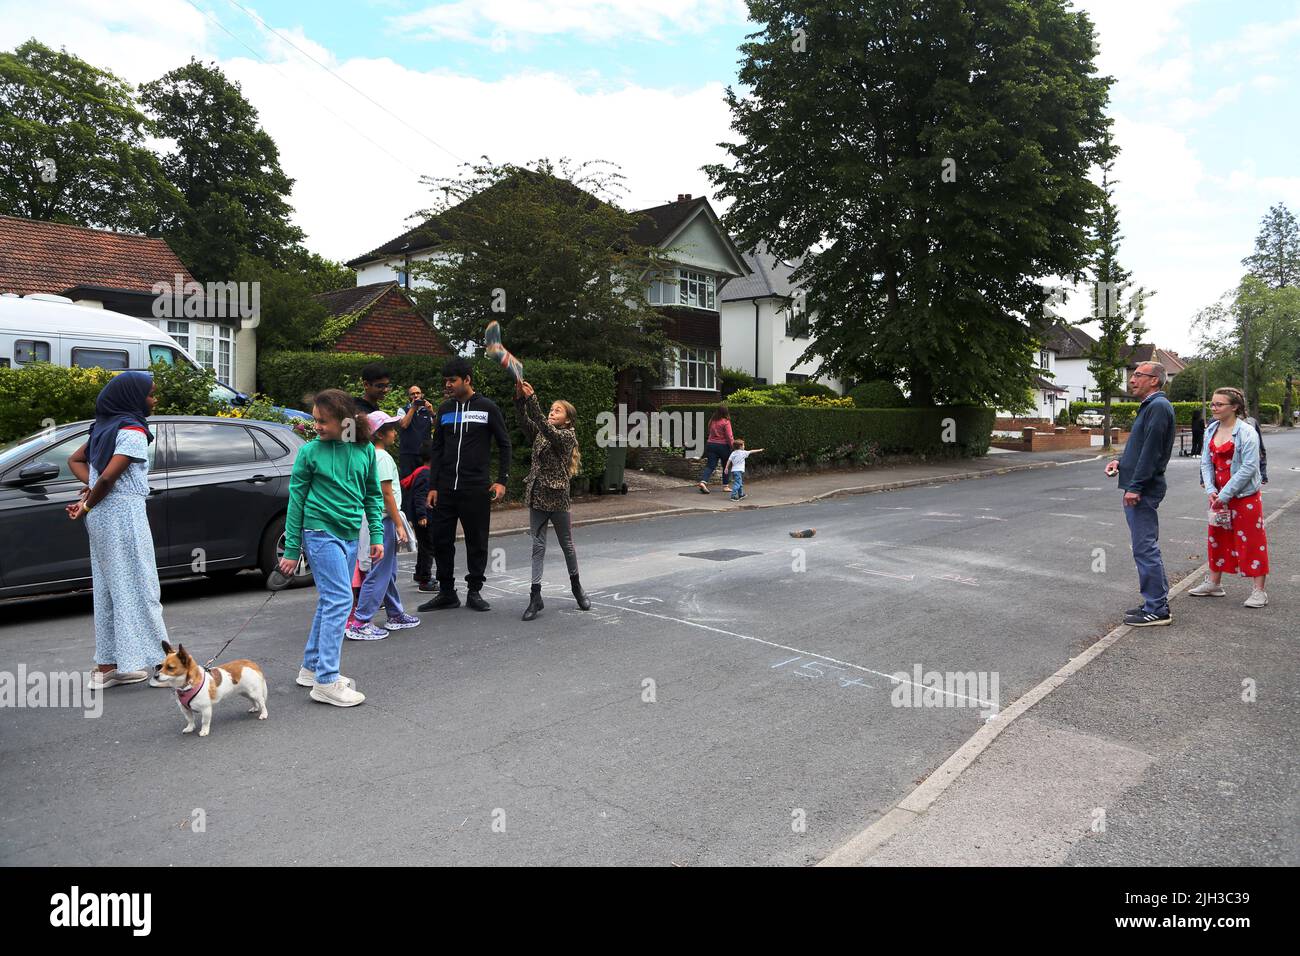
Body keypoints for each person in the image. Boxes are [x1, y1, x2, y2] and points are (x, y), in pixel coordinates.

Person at [279, 389, 383, 707]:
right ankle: (326, 680)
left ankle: (311, 669)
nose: (317, 427)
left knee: (329, 601)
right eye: (315, 421)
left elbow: (372, 495)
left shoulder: (364, 450)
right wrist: (291, 549)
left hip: (350, 534)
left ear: (344, 420)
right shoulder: (310, 452)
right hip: (319, 531)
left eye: (323, 421)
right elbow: (296, 501)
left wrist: (377, 536)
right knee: (339, 599)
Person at [65, 371, 169, 689]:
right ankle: (164, 666)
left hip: (101, 519)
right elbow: (109, 478)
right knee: (143, 586)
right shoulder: (132, 430)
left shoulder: (102, 427)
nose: (154, 399)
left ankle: (108, 666)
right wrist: (88, 501)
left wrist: (91, 494)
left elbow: (75, 460)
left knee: (111, 591)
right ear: (133, 398)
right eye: (150, 394)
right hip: (123, 516)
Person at [417, 357, 512, 613]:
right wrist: (433, 486)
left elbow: (505, 444)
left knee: (476, 541)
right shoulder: (445, 410)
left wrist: (501, 480)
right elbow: (436, 451)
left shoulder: (487, 408)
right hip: (446, 488)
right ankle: (447, 592)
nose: (447, 385)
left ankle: (475, 591)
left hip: (476, 487)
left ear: (467, 380)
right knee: (441, 540)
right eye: (445, 380)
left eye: (452, 380)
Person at [1103, 362, 1175, 627]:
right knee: (1144, 548)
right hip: (1140, 485)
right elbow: (1140, 447)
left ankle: (1157, 608)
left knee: (1145, 549)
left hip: (1143, 490)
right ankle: (1155, 602)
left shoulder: (1157, 406)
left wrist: (1135, 487)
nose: (1131, 380)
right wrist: (1120, 462)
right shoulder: (1151, 406)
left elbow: (1153, 452)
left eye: (1137, 375)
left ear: (1154, 380)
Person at [513, 379, 590, 621]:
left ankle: (577, 588)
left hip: (557, 499)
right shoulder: (542, 434)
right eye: (551, 409)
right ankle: (535, 597)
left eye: (557, 410)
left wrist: (531, 398)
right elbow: (525, 423)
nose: (552, 412)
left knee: (567, 546)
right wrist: (519, 401)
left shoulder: (567, 436)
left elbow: (546, 428)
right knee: (537, 547)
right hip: (537, 497)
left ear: (568, 419)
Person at [1190, 388, 1269, 607]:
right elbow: (1206, 462)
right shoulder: (1211, 429)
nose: (1213, 408)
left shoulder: (1246, 432)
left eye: (1219, 404)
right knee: (1217, 537)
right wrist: (1210, 490)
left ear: (1234, 407)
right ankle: (1214, 583)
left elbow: (1249, 467)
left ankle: (1259, 591)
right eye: (1212, 404)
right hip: (1218, 496)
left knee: (1252, 541)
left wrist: (1225, 494)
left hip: (1244, 495)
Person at [347, 411, 420, 639]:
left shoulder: (366, 454)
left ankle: (395, 613)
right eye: (390, 428)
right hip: (383, 519)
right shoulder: (383, 458)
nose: (394, 432)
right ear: (379, 434)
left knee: (387, 570)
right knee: (379, 571)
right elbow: (387, 494)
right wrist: (399, 525)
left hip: (370, 519)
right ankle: (361, 621)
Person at [402, 440, 436, 592]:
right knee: (428, 548)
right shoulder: (426, 474)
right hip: (424, 518)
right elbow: (419, 496)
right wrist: (423, 515)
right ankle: (425, 580)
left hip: (421, 518)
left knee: (424, 547)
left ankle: (419, 573)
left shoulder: (421, 471)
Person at [398, 384, 435, 478]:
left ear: (422, 395)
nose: (415, 396)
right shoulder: (402, 410)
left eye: (418, 393)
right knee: (407, 482)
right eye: (412, 394)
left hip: (424, 454)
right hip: (408, 454)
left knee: (424, 481)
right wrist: (413, 408)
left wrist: (431, 411)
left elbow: (438, 426)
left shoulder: (427, 410)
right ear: (409, 397)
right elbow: (404, 425)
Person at [697, 405, 733, 494]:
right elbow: (729, 436)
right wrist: (732, 446)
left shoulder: (712, 421)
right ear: (726, 412)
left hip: (711, 444)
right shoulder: (726, 422)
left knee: (710, 465)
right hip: (723, 446)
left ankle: (703, 482)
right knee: (726, 466)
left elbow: (709, 431)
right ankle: (725, 486)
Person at [1245, 415, 1268, 484]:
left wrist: (1263, 473)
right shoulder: (1215, 423)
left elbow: (1260, 448)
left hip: (1249, 471)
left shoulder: (1252, 422)